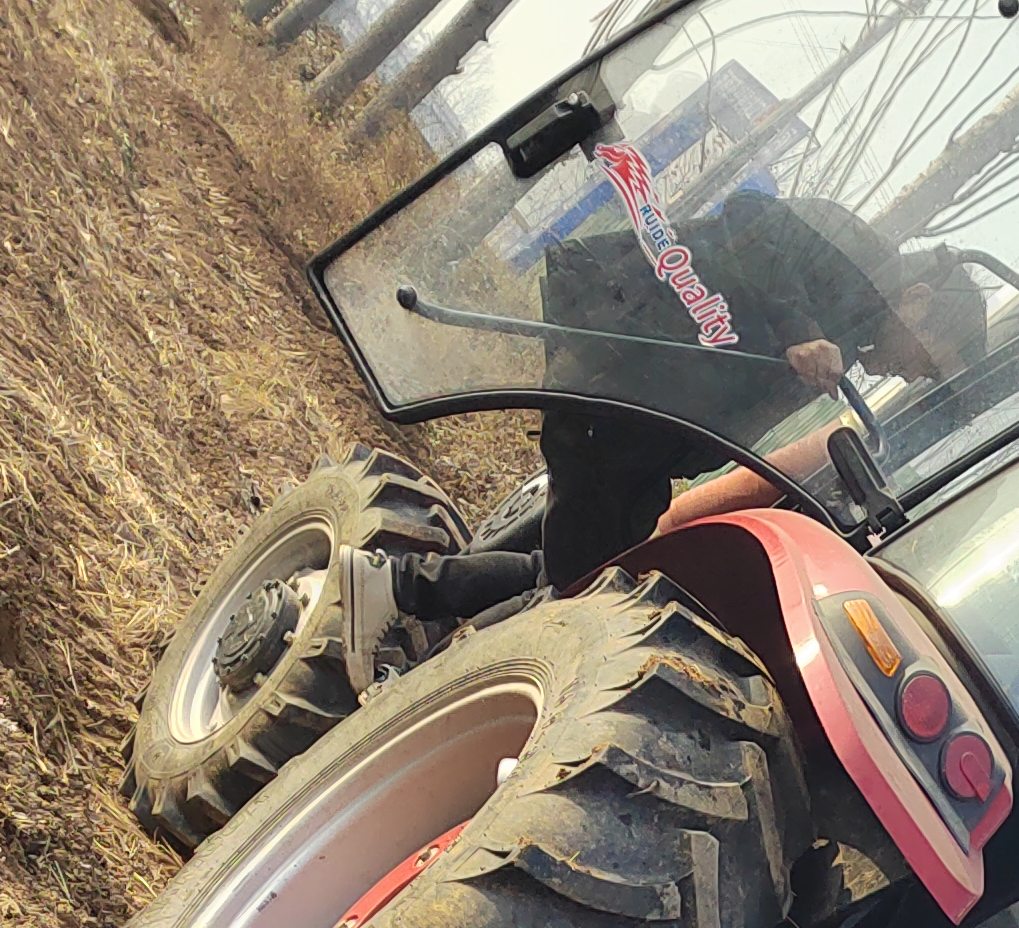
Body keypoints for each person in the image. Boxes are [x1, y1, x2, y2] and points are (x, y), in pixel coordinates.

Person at [340, 209, 984, 679]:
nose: (909, 372)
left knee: (592, 572)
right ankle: (402, 614)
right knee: (580, 583)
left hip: (652, 421)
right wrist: (798, 326)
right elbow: (749, 224)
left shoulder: (855, 319)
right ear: (920, 301)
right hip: (622, 358)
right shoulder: (845, 257)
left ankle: (401, 607)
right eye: (926, 360)